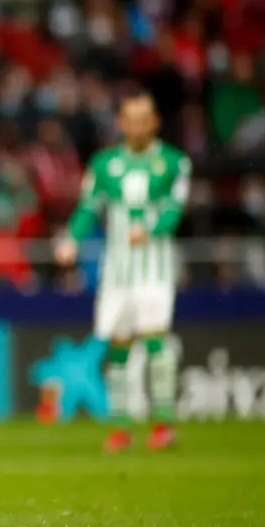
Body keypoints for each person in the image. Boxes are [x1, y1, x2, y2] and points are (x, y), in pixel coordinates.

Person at [55, 94, 191, 453]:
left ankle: (163, 424)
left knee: (156, 338)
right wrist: (71, 239)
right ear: (121, 123)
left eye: (143, 119)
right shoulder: (104, 165)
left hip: (155, 269)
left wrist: (152, 230)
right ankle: (121, 426)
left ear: (155, 122)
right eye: (131, 119)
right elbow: (88, 207)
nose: (137, 126)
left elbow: (175, 210)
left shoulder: (174, 163)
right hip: (117, 271)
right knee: (118, 344)